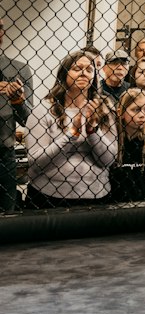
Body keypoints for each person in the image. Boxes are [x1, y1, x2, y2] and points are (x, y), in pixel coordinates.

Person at [25, 50, 118, 206]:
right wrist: (71, 134)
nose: (84, 73)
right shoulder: (44, 109)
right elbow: (35, 162)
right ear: (64, 74)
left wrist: (92, 130)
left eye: (89, 69)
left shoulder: (103, 109)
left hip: (96, 196)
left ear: (94, 77)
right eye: (77, 68)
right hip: (50, 196)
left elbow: (108, 160)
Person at [0, 16, 32, 213]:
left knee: (7, 216)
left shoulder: (19, 69)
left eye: (0, 28)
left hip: (4, 156)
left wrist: (18, 101)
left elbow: (27, 118)